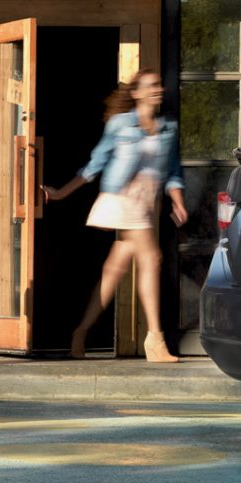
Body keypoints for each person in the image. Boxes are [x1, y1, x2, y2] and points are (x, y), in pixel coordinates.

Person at [45, 69, 188, 362]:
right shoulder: (120, 124)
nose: (157, 89)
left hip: (146, 204)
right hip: (122, 199)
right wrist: (60, 193)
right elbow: (95, 164)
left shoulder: (167, 127)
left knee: (113, 271)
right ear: (136, 93)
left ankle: (81, 332)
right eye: (150, 86)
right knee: (152, 259)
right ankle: (155, 340)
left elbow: (173, 171)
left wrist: (178, 202)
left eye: (159, 85)